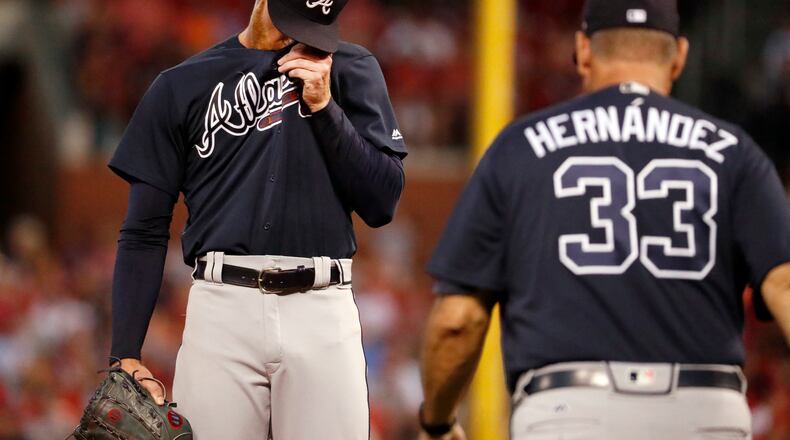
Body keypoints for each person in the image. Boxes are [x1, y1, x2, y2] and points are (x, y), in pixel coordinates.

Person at [419, 1, 790, 439]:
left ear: (583, 49)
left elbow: (457, 320)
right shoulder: (735, 151)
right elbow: (783, 285)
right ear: (680, 54)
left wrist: (438, 422)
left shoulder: (521, 147)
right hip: (705, 410)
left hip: (570, 411)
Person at [107, 0, 407, 438]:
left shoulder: (350, 69)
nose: (304, 34)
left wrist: (327, 109)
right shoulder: (183, 84)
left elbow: (383, 202)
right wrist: (125, 353)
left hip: (321, 307)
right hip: (222, 308)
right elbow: (144, 230)